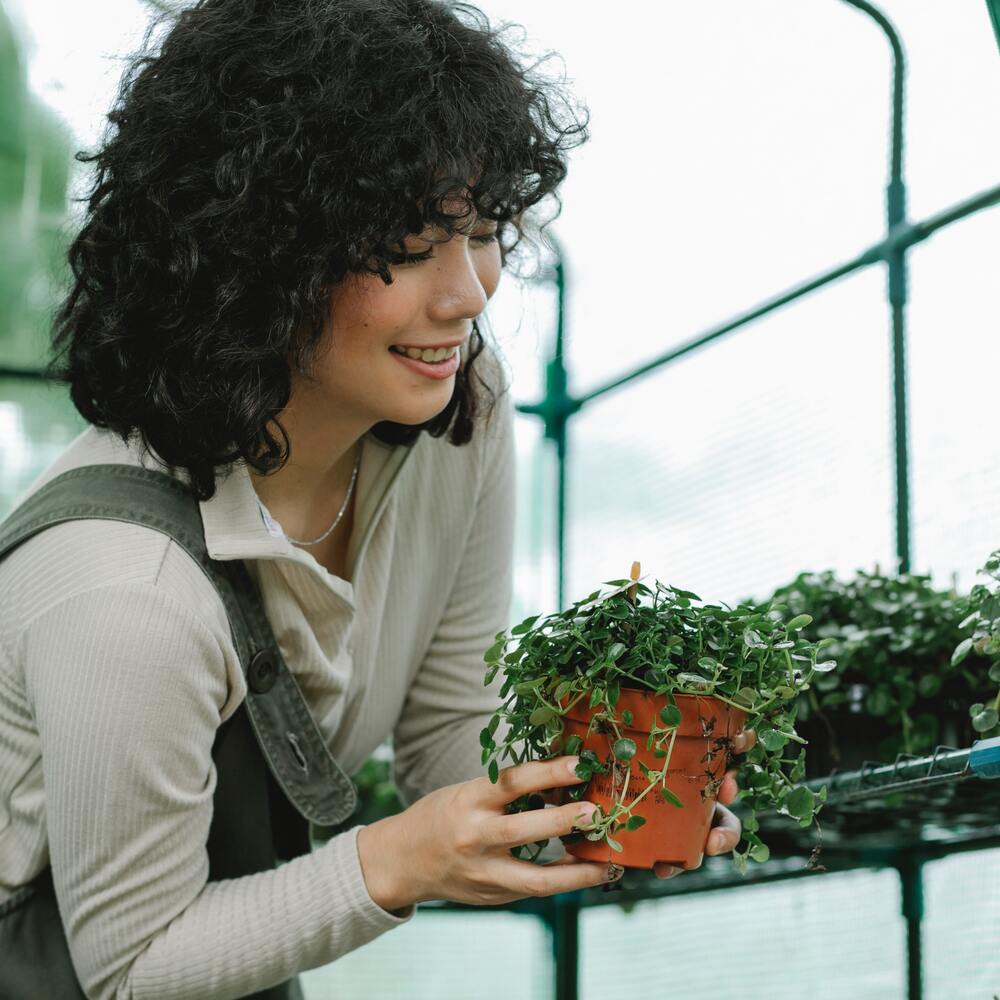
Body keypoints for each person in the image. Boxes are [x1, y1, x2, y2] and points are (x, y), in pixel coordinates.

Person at [0, 1, 750, 997]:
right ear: (253, 258)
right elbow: (133, 965)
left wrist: (613, 782)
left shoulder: (458, 419)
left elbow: (451, 738)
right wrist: (396, 860)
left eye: (482, 229)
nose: (469, 292)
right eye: (404, 245)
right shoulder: (122, 582)